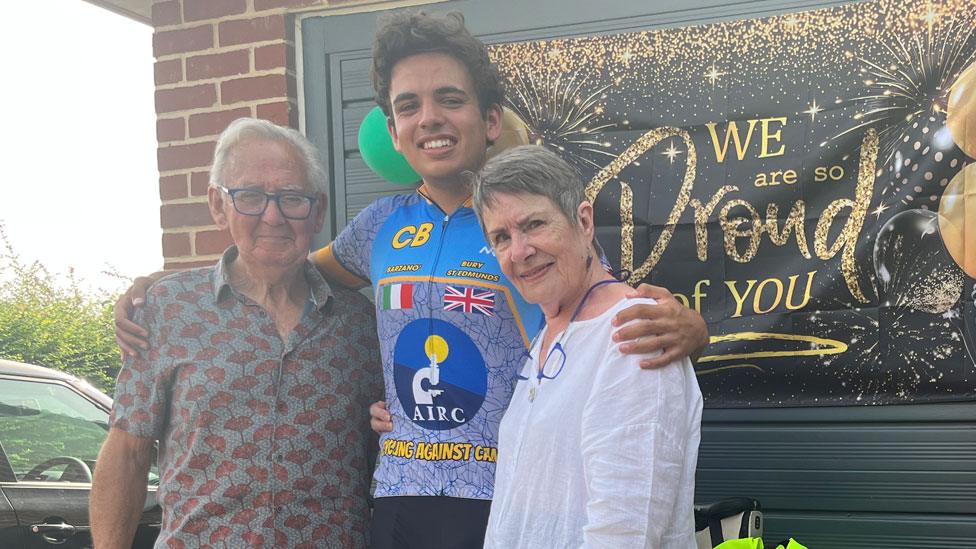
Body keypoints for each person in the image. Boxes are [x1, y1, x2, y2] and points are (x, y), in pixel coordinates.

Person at [112, 11, 709, 548]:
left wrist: (691, 328)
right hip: (398, 491)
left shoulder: (525, 220)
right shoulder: (378, 227)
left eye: (449, 98)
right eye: (408, 106)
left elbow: (600, 322)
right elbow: (280, 268)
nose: (430, 119)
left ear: (490, 118)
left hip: (506, 497)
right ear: (394, 133)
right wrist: (167, 286)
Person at [91, 118, 383, 548]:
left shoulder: (361, 325)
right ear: (217, 204)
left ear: (317, 210)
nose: (272, 216)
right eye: (249, 196)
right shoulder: (168, 309)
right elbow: (128, 453)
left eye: (292, 198)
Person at [474, 145, 702, 548]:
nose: (519, 251)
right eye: (500, 237)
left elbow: (625, 529)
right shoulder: (552, 331)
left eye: (534, 224)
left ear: (583, 221)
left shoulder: (635, 331)